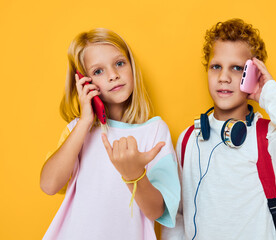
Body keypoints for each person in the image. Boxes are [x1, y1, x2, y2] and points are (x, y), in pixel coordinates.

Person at [161, 19, 276, 239]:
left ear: (253, 74)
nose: (223, 77)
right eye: (216, 67)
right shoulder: (189, 139)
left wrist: (270, 94)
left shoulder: (269, 137)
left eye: (237, 68)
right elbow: (179, 215)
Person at [40, 28, 180, 240]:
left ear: (132, 66)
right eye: (98, 71)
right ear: (84, 82)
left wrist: (135, 175)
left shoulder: (154, 131)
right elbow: (49, 185)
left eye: (119, 63)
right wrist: (86, 121)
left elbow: (157, 211)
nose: (113, 75)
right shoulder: (78, 131)